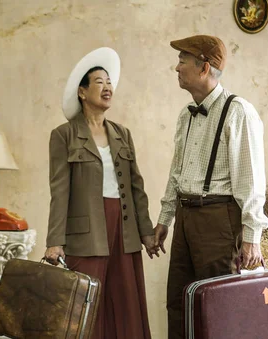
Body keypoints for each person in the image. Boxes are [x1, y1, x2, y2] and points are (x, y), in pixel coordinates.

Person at [153, 35, 268, 338]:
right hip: (186, 219)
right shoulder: (185, 115)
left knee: (220, 308)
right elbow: (176, 173)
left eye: (182, 61)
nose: (175, 67)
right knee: (179, 304)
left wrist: (252, 237)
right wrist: (165, 219)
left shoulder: (238, 111)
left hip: (219, 221)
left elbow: (251, 180)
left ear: (204, 67)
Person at [44, 47, 159, 339]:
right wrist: (55, 241)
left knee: (126, 306)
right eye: (99, 82)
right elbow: (59, 191)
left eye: (109, 82)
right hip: (86, 232)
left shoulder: (123, 134)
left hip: (125, 230)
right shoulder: (63, 135)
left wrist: (146, 233)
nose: (107, 87)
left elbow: (136, 188)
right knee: (86, 309)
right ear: (82, 92)